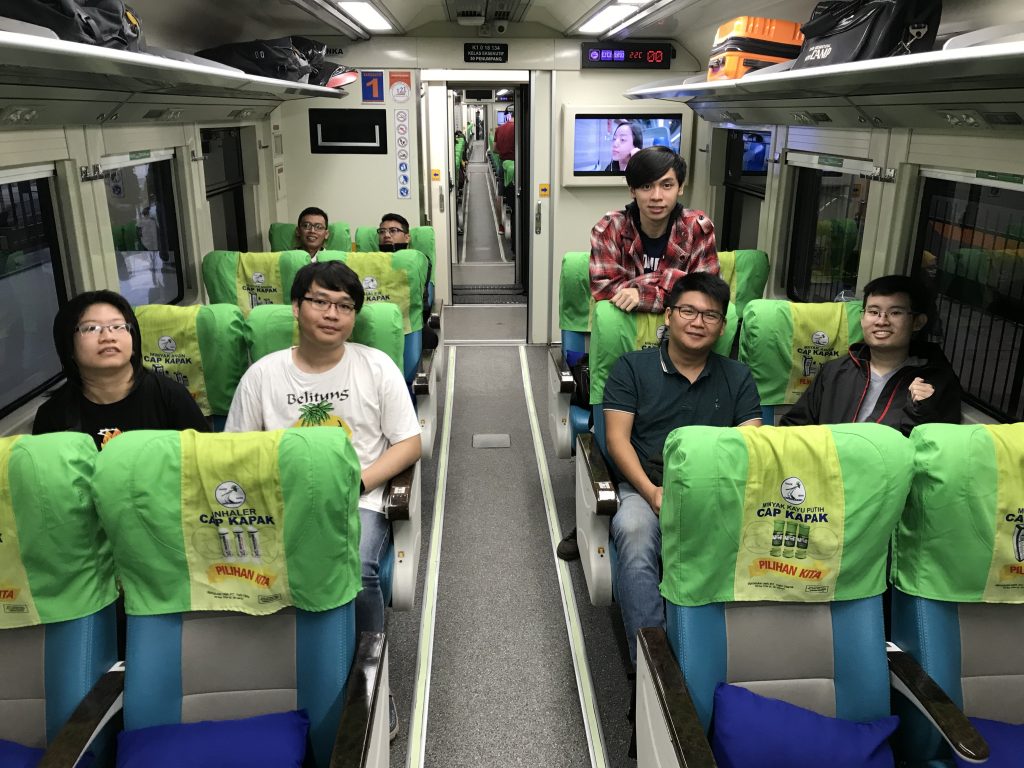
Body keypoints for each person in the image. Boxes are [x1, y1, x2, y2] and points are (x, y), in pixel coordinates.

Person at [224, 261, 421, 740]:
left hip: (356, 501)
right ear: (296, 307)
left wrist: (358, 485)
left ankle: (373, 686)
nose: (332, 314)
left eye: (345, 306)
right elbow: (234, 452)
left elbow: (409, 443)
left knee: (356, 567)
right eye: (320, 301)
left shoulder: (376, 367)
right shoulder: (262, 376)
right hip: (277, 504)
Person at [559, 145, 719, 560]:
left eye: (666, 185)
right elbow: (605, 291)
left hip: (685, 339)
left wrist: (642, 290)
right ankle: (588, 519)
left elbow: (705, 292)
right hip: (623, 349)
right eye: (646, 185)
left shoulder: (698, 227)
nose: (656, 196)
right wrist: (670, 286)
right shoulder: (608, 228)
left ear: (679, 187)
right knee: (611, 431)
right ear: (632, 189)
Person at [603, 273, 762, 670]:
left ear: (723, 326)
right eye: (688, 311)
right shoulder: (632, 368)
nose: (698, 322)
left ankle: (734, 660)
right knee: (635, 535)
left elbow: (750, 445)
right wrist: (652, 491)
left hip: (718, 492)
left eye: (711, 315)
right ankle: (652, 668)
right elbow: (617, 441)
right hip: (646, 486)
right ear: (669, 316)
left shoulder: (738, 377)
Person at [780, 274, 961, 435]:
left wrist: (923, 411)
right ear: (862, 318)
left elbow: (934, 454)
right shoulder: (835, 371)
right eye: (873, 312)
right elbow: (792, 428)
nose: (882, 321)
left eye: (895, 312)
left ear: (918, 322)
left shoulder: (935, 383)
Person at [33, 290, 209, 449]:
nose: (108, 337)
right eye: (91, 328)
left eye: (118, 327)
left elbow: (203, 462)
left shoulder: (170, 396)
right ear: (69, 347)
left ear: (133, 342)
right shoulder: (53, 415)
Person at [375, 212, 438, 350]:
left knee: (429, 339)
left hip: (407, 321)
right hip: (375, 319)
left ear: (407, 237)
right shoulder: (369, 261)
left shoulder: (418, 261)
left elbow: (422, 301)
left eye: (393, 231)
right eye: (382, 231)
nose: (386, 235)